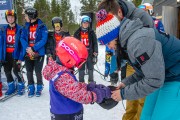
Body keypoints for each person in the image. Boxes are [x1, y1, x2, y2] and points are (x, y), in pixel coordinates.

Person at [96, 8, 180, 120]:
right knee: (146, 116)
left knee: (160, 117)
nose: (109, 47)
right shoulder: (126, 42)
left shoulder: (138, 42)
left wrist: (123, 94)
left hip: (176, 75)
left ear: (115, 35)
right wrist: (126, 83)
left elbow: (154, 79)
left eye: (108, 43)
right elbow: (146, 71)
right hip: (163, 75)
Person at [97, 0, 155, 119]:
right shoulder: (114, 25)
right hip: (131, 64)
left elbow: (150, 46)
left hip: (145, 63)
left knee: (142, 99)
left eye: (111, 20)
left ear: (119, 11)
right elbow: (118, 46)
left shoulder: (141, 17)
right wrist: (118, 63)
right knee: (130, 99)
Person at [42, 37, 111, 120]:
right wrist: (96, 95)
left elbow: (72, 87)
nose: (76, 65)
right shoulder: (63, 77)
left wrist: (87, 87)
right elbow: (78, 94)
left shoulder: (58, 70)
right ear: (69, 58)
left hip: (64, 114)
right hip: (68, 115)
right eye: (78, 62)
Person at [20, 7, 48, 97]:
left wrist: (33, 49)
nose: (25, 17)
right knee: (29, 71)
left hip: (38, 52)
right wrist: (28, 48)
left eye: (26, 16)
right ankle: (31, 87)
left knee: (37, 71)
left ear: (31, 16)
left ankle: (39, 87)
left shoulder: (42, 26)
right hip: (28, 52)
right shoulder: (25, 26)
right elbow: (22, 38)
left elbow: (44, 40)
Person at [0, 10, 24, 96]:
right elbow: (1, 44)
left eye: (12, 17)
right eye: (8, 17)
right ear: (6, 19)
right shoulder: (3, 30)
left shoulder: (20, 29)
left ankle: (21, 86)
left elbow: (23, 45)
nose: (10, 19)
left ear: (15, 18)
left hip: (16, 54)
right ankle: (11, 87)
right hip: (6, 55)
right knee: (7, 71)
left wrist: (21, 57)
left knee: (16, 71)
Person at [74, 15, 98, 83]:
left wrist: (95, 51)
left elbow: (95, 43)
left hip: (89, 53)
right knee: (81, 69)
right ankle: (81, 83)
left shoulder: (91, 32)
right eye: (84, 23)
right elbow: (74, 44)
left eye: (87, 23)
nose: (86, 24)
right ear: (81, 23)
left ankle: (91, 82)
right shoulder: (77, 32)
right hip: (81, 54)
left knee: (90, 68)